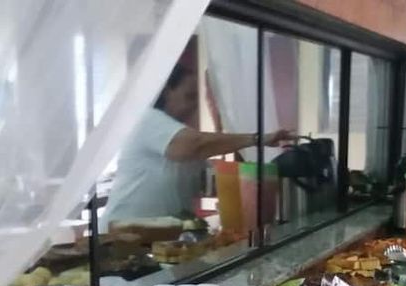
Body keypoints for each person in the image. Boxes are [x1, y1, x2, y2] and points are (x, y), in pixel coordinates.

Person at [101, 64, 291, 229]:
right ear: (167, 91)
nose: (194, 105)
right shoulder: (148, 118)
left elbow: (209, 179)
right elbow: (194, 146)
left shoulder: (177, 131)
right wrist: (257, 139)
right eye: (189, 96)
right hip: (122, 236)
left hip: (162, 237)